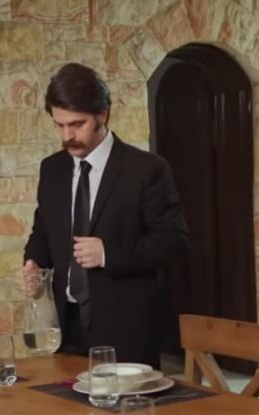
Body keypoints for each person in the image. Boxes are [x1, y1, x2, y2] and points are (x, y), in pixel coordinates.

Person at [23, 63, 188, 367]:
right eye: (59, 125)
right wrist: (33, 263)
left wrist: (107, 254)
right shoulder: (53, 169)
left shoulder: (147, 169)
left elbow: (173, 241)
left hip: (127, 330)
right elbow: (43, 231)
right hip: (65, 328)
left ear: (103, 114)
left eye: (77, 124)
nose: (67, 135)